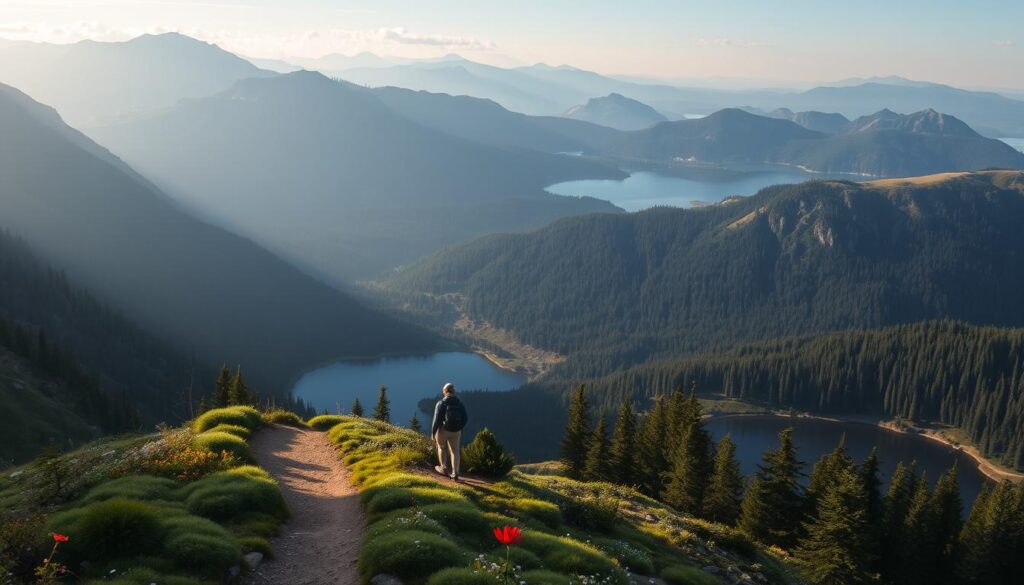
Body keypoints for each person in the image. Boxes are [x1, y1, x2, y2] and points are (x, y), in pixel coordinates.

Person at [431, 382, 468, 480]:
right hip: (456, 431)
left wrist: (433, 433)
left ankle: (443, 468)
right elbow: (465, 418)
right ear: (454, 391)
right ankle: (455, 473)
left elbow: (436, 420)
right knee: (455, 451)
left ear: (445, 391)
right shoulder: (460, 403)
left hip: (443, 430)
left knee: (442, 447)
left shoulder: (441, 403)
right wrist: (459, 427)